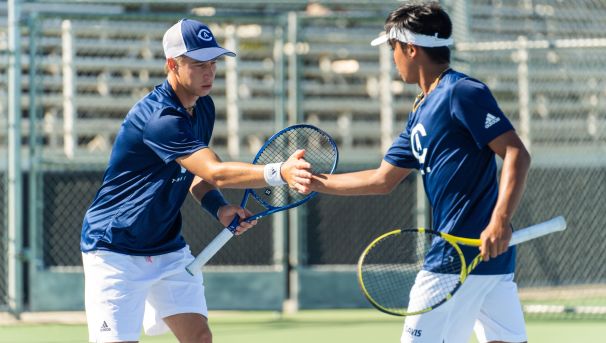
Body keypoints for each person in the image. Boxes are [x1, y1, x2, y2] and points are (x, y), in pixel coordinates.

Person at [80, 18, 312, 343]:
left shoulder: (203, 108)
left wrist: (219, 208)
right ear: (172, 65)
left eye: (213, 63)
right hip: (115, 251)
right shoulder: (160, 119)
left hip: (167, 249)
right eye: (198, 64)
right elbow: (215, 171)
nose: (209, 72)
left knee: (200, 338)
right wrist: (279, 173)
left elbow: (197, 177)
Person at [310, 2, 531, 343]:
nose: (392, 57)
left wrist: (500, 220)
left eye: (392, 48)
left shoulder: (462, 92)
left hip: (458, 256)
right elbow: (382, 179)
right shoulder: (420, 110)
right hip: (483, 256)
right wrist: (312, 181)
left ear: (411, 49)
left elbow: (516, 152)